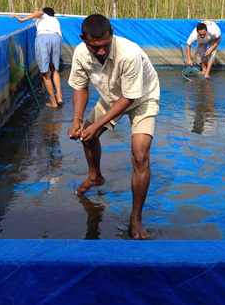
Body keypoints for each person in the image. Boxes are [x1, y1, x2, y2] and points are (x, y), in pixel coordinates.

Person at [67, 14, 160, 240]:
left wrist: (97, 124)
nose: (100, 51)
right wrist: (77, 120)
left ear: (112, 36)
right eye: (94, 47)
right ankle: (95, 176)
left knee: (140, 155)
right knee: (86, 136)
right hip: (111, 96)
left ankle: (135, 218)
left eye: (105, 46)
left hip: (142, 98)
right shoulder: (80, 53)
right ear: (83, 39)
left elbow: (129, 98)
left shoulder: (129, 54)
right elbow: (80, 87)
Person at [13, 7, 63, 108]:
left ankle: (53, 102)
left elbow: (39, 13)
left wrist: (21, 19)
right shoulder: (55, 20)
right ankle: (59, 96)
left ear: (45, 13)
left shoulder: (43, 17)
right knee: (55, 69)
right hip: (56, 38)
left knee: (45, 73)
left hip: (43, 38)